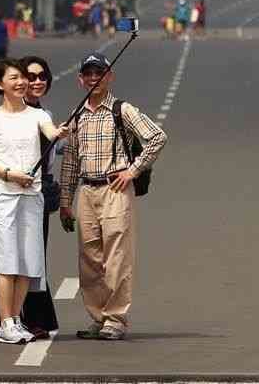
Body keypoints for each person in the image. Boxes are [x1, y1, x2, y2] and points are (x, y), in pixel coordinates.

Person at [59, 52, 168, 341]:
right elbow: (70, 159)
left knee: (116, 257)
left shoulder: (122, 109)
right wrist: (65, 201)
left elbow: (157, 137)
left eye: (100, 73)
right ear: (81, 79)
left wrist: (132, 171)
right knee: (90, 259)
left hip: (115, 189)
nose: (94, 79)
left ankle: (116, 319)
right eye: (89, 74)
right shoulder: (77, 114)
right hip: (86, 191)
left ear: (110, 76)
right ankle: (98, 317)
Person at [0, 60, 69, 344]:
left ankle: (16, 320)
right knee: (7, 262)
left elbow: (52, 133)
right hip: (2, 196)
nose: (21, 82)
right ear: (0, 84)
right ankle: (5, 323)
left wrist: (60, 132)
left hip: (32, 197)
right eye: (13, 78)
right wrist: (8, 174)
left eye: (23, 78)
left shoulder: (36, 116)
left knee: (28, 262)